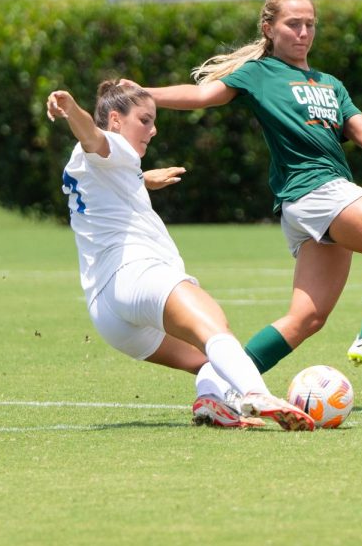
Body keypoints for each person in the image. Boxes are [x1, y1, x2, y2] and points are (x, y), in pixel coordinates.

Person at [126, 0, 362, 374]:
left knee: (306, 320)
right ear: (269, 28)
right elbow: (202, 96)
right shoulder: (259, 73)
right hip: (317, 190)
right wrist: (140, 93)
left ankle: (224, 384)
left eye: (310, 25)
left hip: (310, 204)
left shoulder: (331, 84)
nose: (303, 33)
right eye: (293, 24)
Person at [46, 81, 315, 431]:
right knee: (214, 327)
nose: (153, 129)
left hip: (107, 312)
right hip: (138, 275)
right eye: (144, 119)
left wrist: (141, 179)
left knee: (208, 360)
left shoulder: (92, 165)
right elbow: (93, 137)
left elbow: (105, 178)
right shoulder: (110, 144)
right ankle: (257, 394)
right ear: (115, 120)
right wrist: (72, 109)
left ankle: (211, 403)